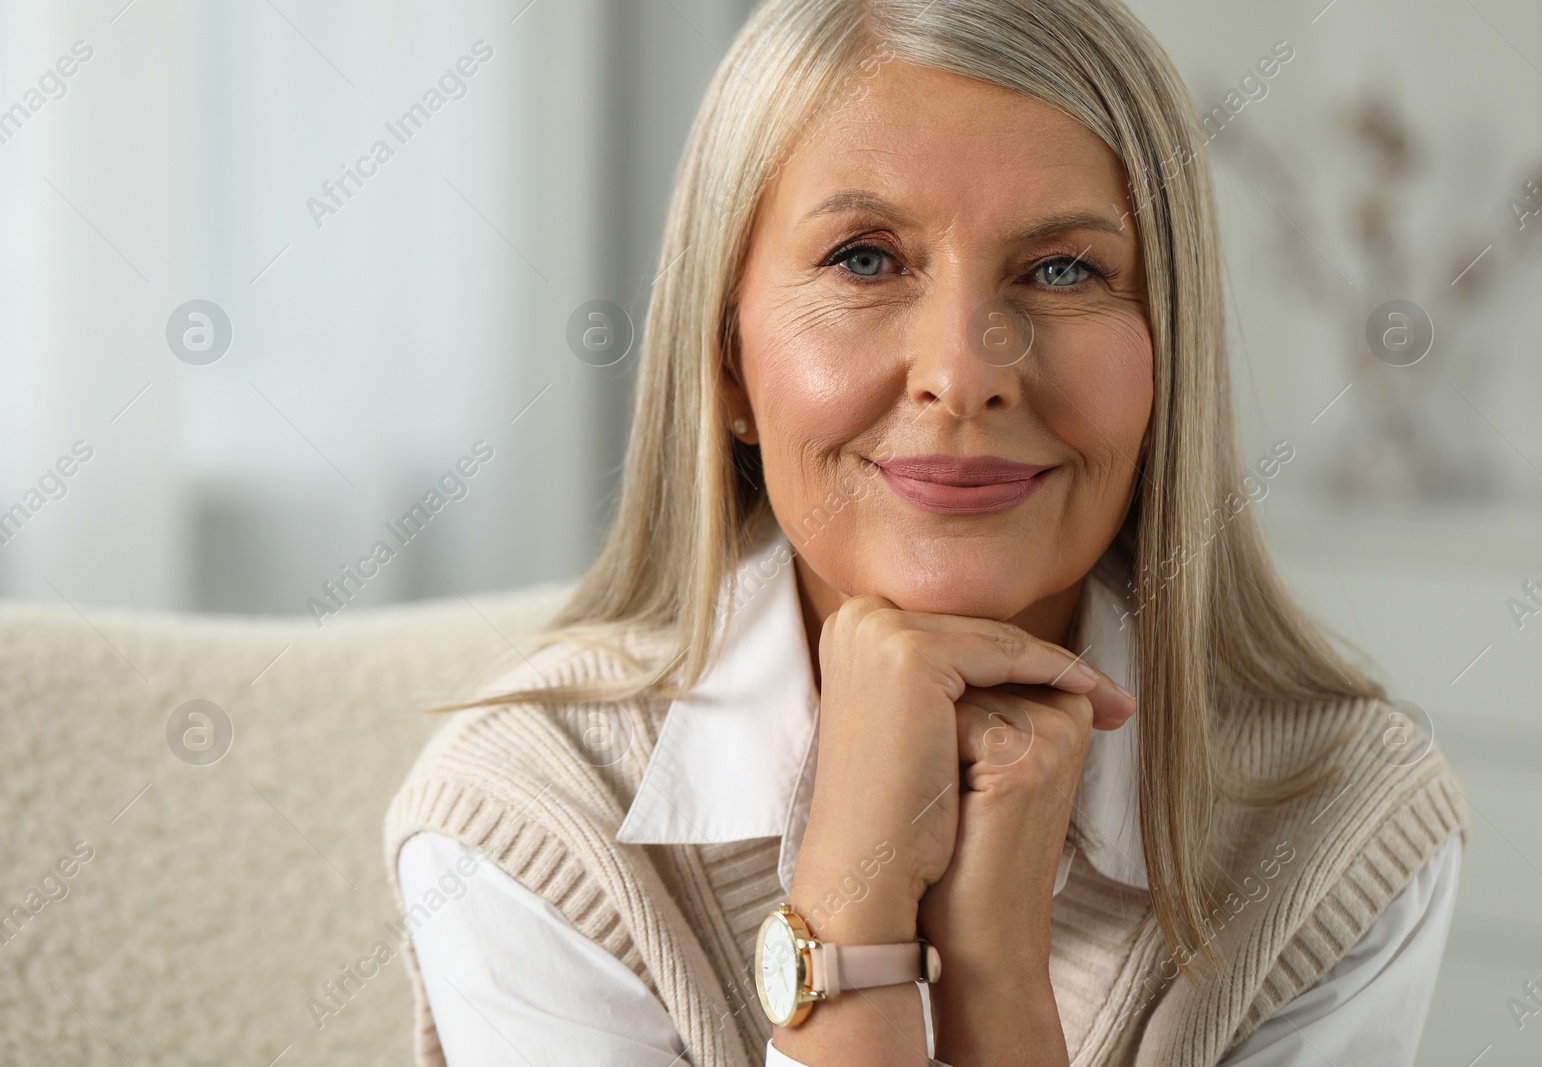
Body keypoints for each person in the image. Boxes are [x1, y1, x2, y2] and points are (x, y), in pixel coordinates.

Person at [384, 1, 1469, 1063]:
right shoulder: (527, 815)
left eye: (1062, 269)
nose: (962, 372)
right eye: (864, 259)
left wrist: (994, 970)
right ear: (726, 364)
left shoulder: (1339, 816)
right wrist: (850, 918)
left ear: (1166, 356)